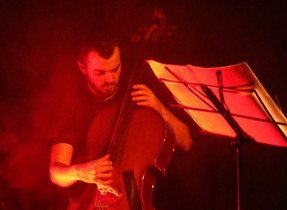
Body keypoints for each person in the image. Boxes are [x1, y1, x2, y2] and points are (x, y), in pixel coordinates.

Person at [49, 32, 193, 209]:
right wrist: (80, 171)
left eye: (115, 69)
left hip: (132, 199)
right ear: (82, 67)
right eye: (100, 72)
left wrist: (158, 107)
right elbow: (56, 172)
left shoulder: (136, 92)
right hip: (89, 201)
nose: (110, 79)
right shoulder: (72, 105)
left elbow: (186, 141)